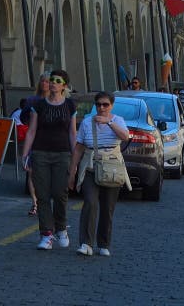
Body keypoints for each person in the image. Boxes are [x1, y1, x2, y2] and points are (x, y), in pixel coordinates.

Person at [67, 92, 130, 257]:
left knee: (107, 207)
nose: (101, 108)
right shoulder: (87, 122)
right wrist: (72, 171)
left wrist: (109, 122)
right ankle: (86, 243)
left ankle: (103, 243)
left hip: (111, 168)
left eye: (105, 105)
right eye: (99, 105)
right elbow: (79, 148)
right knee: (90, 202)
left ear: (111, 106)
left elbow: (125, 136)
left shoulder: (118, 120)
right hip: (90, 166)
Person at [21, 69, 78, 250]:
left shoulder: (70, 105)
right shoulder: (38, 105)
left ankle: (61, 228)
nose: (52, 83)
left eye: (56, 80)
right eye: (50, 80)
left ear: (64, 86)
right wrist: (25, 154)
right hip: (40, 153)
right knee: (43, 195)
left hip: (62, 154)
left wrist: (75, 158)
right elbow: (31, 131)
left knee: (60, 193)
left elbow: (72, 133)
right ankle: (46, 234)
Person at [14, 74, 50, 216]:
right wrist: (30, 123)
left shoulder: (57, 101)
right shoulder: (32, 100)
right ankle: (35, 203)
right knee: (31, 172)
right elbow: (23, 117)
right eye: (42, 81)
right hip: (34, 138)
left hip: (49, 140)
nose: (44, 84)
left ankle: (43, 201)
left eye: (47, 81)